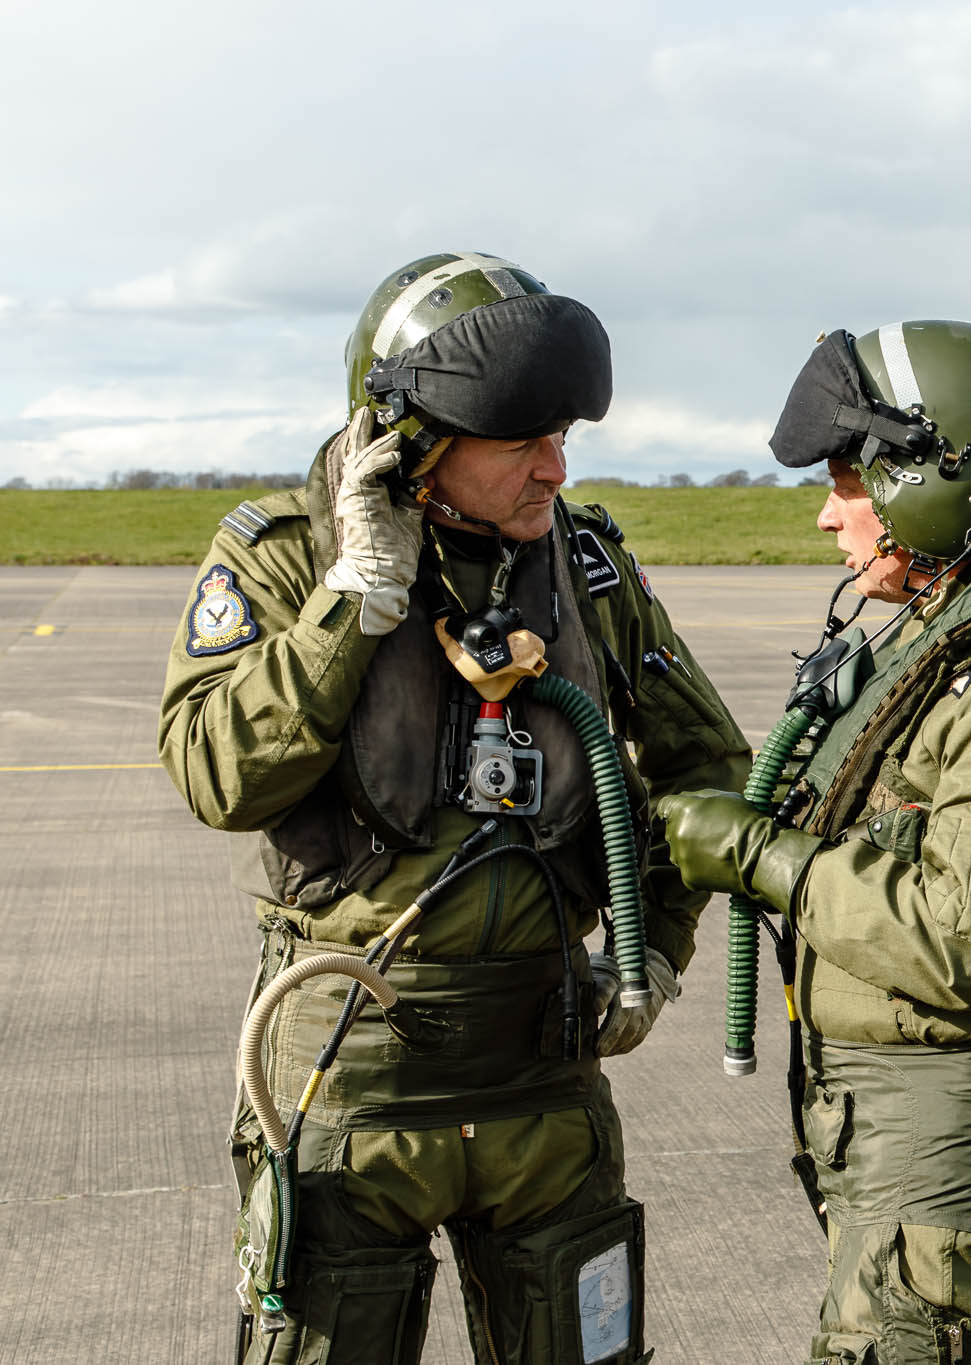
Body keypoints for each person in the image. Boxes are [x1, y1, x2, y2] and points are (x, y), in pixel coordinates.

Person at [158, 252, 750, 1363]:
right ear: (414, 439)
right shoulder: (286, 560)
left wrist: (654, 947)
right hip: (350, 1072)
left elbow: (707, 768)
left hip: (545, 1071)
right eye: (522, 438)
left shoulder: (585, 567)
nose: (553, 466)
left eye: (564, 434)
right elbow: (217, 777)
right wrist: (353, 602)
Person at [657, 321, 971, 1364]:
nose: (830, 515)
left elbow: (965, 937)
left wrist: (755, 858)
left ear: (933, 476)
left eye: (850, 482)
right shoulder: (949, 630)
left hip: (949, 1164)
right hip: (901, 1148)